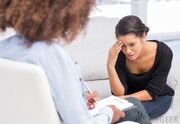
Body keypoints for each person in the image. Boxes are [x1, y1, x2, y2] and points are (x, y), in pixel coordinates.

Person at [0, 1, 151, 124]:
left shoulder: (4, 49)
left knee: (131, 101)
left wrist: (79, 99)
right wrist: (109, 113)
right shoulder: (51, 55)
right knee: (135, 108)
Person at [107, 15, 174, 119]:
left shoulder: (164, 53)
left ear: (144, 35)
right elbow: (119, 92)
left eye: (132, 44)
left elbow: (151, 93)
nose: (128, 51)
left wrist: (122, 99)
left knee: (124, 115)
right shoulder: (119, 54)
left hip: (158, 98)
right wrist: (110, 65)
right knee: (112, 114)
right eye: (123, 45)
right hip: (129, 99)